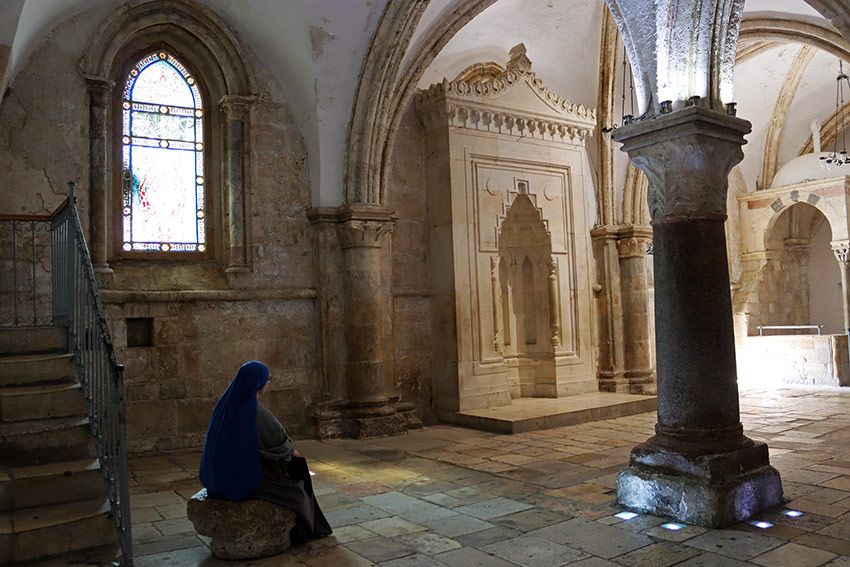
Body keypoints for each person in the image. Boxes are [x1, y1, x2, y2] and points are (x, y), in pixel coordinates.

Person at [199, 360, 332, 544]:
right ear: (259, 382)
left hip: (216, 477)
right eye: (267, 379)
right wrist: (293, 452)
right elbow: (279, 444)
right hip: (237, 481)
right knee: (298, 486)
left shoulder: (226, 404)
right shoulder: (254, 412)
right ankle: (303, 531)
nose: (268, 383)